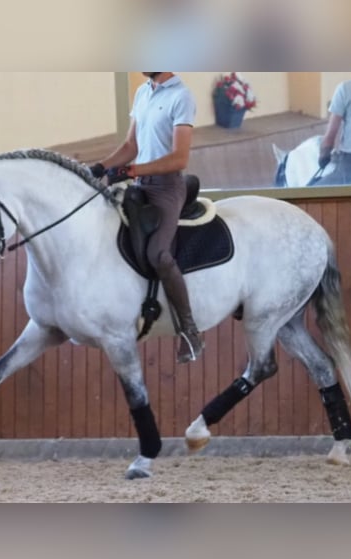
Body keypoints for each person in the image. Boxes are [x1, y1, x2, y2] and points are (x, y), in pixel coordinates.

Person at [90, 72, 203, 363]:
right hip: (140, 187)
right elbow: (131, 147)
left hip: (167, 188)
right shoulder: (143, 92)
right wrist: (99, 167)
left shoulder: (181, 97)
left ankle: (190, 331)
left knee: (158, 253)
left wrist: (130, 171)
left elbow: (179, 158)